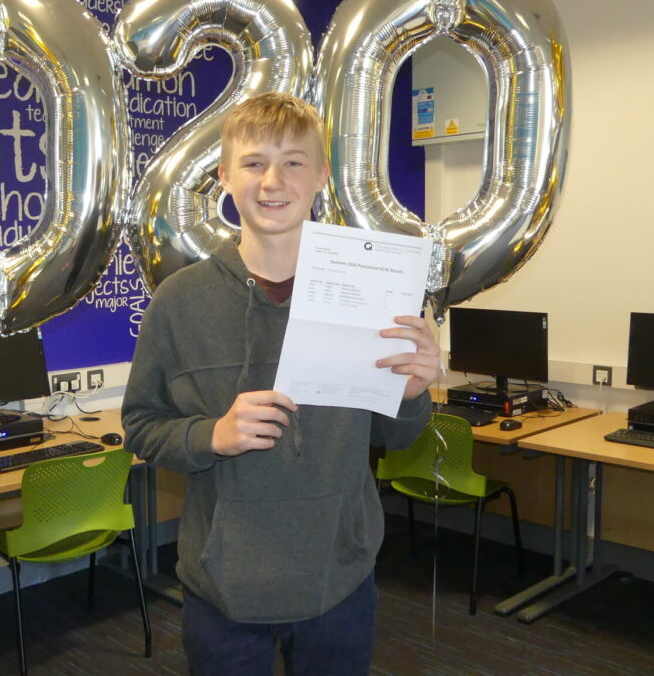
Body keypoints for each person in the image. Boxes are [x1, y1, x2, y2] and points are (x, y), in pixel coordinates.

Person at [121, 92, 440, 675]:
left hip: (337, 577)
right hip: (223, 587)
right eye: (253, 162)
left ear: (321, 176)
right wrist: (210, 435)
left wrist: (415, 396)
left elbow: (400, 441)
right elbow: (141, 426)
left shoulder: (375, 296)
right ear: (224, 175)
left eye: (294, 161)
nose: (273, 180)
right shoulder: (179, 301)